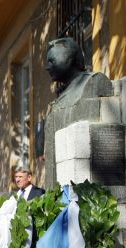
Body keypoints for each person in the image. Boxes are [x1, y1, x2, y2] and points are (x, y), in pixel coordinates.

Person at [42, 37, 113, 187]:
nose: (47, 67)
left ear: (69, 59)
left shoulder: (94, 82)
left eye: (52, 61)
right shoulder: (64, 92)